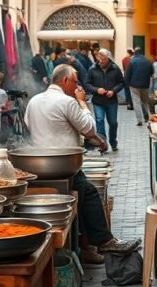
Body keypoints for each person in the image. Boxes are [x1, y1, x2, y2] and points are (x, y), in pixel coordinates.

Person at [25, 64, 141, 264]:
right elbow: (89, 127)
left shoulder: (34, 101)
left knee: (86, 193)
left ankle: (91, 246)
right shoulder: (67, 102)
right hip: (63, 166)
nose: (78, 87)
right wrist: (83, 104)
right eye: (76, 82)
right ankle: (104, 241)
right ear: (65, 81)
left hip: (38, 166)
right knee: (88, 194)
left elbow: (30, 125)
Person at [86, 48, 125, 151]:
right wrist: (97, 90)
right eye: (99, 59)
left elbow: (121, 83)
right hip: (98, 101)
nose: (101, 61)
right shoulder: (92, 69)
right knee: (99, 121)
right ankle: (102, 144)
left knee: (113, 123)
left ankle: (113, 142)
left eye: (103, 59)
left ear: (108, 58)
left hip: (111, 100)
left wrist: (113, 91)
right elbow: (87, 84)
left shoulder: (115, 69)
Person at [126, 48, 153, 126]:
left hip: (134, 85)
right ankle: (148, 117)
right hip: (145, 84)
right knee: (145, 102)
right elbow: (151, 72)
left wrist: (127, 84)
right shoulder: (148, 61)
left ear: (135, 53)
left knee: (136, 102)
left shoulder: (132, 61)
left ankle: (139, 120)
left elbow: (127, 74)